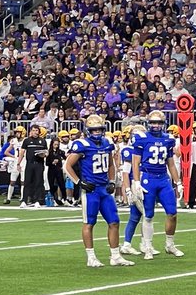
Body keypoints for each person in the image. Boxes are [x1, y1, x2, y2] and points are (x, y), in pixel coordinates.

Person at [63, 114, 132, 268]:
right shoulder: (82, 145)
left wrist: (112, 181)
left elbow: (111, 165)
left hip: (104, 189)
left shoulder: (107, 142)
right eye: (94, 130)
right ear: (88, 130)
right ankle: (91, 257)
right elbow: (67, 166)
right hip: (91, 190)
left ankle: (115, 256)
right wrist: (79, 182)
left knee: (114, 221)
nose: (97, 133)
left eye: (99, 129)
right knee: (89, 223)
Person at [130, 110, 184, 260]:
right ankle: (147, 246)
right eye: (153, 122)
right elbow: (135, 162)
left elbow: (171, 164)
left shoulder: (168, 139)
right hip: (148, 177)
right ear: (148, 123)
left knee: (172, 213)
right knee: (148, 215)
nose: (156, 125)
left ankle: (169, 244)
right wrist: (136, 182)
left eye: (159, 123)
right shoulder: (141, 138)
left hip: (163, 179)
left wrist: (178, 182)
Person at [119, 124, 146, 255]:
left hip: (145, 184)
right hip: (136, 186)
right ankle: (142, 244)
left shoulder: (144, 149)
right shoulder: (128, 150)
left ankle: (131, 244)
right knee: (144, 216)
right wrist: (128, 190)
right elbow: (125, 172)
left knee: (137, 216)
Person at [20, 123, 47, 208]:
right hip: (29, 163)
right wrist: (18, 163)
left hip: (39, 164)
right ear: (30, 131)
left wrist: (42, 155)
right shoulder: (27, 140)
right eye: (33, 130)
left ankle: (37, 201)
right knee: (27, 182)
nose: (35, 132)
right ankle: (24, 200)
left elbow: (46, 152)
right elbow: (22, 152)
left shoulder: (42, 141)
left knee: (38, 182)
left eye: (36, 130)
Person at [45, 135, 68, 207]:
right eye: (55, 144)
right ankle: (54, 199)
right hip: (51, 170)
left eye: (57, 144)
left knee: (62, 184)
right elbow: (47, 163)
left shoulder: (60, 152)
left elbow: (65, 158)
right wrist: (52, 162)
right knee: (52, 185)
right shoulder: (49, 152)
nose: (56, 146)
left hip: (58, 170)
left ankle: (64, 199)